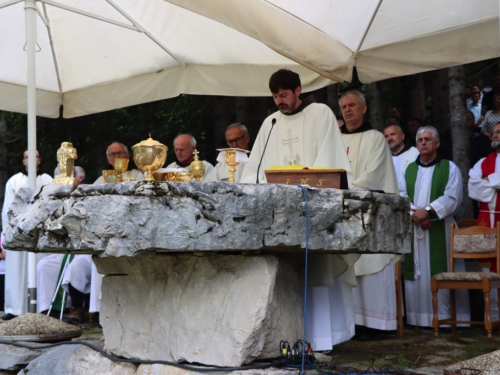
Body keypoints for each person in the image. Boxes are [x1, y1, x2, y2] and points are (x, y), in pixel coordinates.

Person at [240, 69, 354, 350]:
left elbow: (330, 160)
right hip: (279, 213)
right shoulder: (271, 122)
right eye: (275, 96)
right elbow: (254, 169)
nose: (279, 101)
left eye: (284, 94)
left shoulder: (321, 114)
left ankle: (323, 340)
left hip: (313, 209)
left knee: (317, 269)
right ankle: (287, 338)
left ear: (298, 90)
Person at [339, 90, 400, 334]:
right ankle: (351, 325)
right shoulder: (337, 139)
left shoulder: (376, 137)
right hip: (344, 213)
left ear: (363, 108)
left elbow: (375, 173)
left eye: (352, 105)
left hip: (370, 213)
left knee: (372, 264)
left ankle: (378, 326)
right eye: (343, 106)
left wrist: (347, 190)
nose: (347, 110)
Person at [400, 126, 470, 327]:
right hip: (416, 228)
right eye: (420, 139)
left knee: (443, 269)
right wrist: (417, 214)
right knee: (417, 272)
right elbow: (401, 195)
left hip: (440, 227)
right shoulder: (408, 170)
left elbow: (452, 197)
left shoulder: (449, 168)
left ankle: (447, 320)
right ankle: (418, 319)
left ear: (437, 144)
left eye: (428, 139)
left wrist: (429, 211)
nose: (423, 142)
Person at [1, 150, 52, 320]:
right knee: (16, 270)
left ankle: (42, 307)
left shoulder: (47, 180)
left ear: (40, 160)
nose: (32, 159)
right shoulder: (14, 181)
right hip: (18, 232)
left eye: (36, 156)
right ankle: (14, 307)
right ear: (23, 161)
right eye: (28, 157)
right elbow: (8, 209)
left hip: (39, 232)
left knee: (41, 267)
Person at [36, 167, 87, 319]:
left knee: (75, 267)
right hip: (66, 249)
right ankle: (48, 309)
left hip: (84, 249)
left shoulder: (89, 194)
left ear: (80, 179)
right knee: (44, 265)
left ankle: (76, 308)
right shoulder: (61, 197)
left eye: (71, 177)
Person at [468, 121, 500, 321]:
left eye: (499, 132)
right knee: (488, 268)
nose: (494, 135)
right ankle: (493, 317)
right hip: (486, 221)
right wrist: (496, 183)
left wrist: (488, 180)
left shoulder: (484, 167)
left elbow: (482, 183)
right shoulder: (483, 162)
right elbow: (473, 186)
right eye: (494, 132)